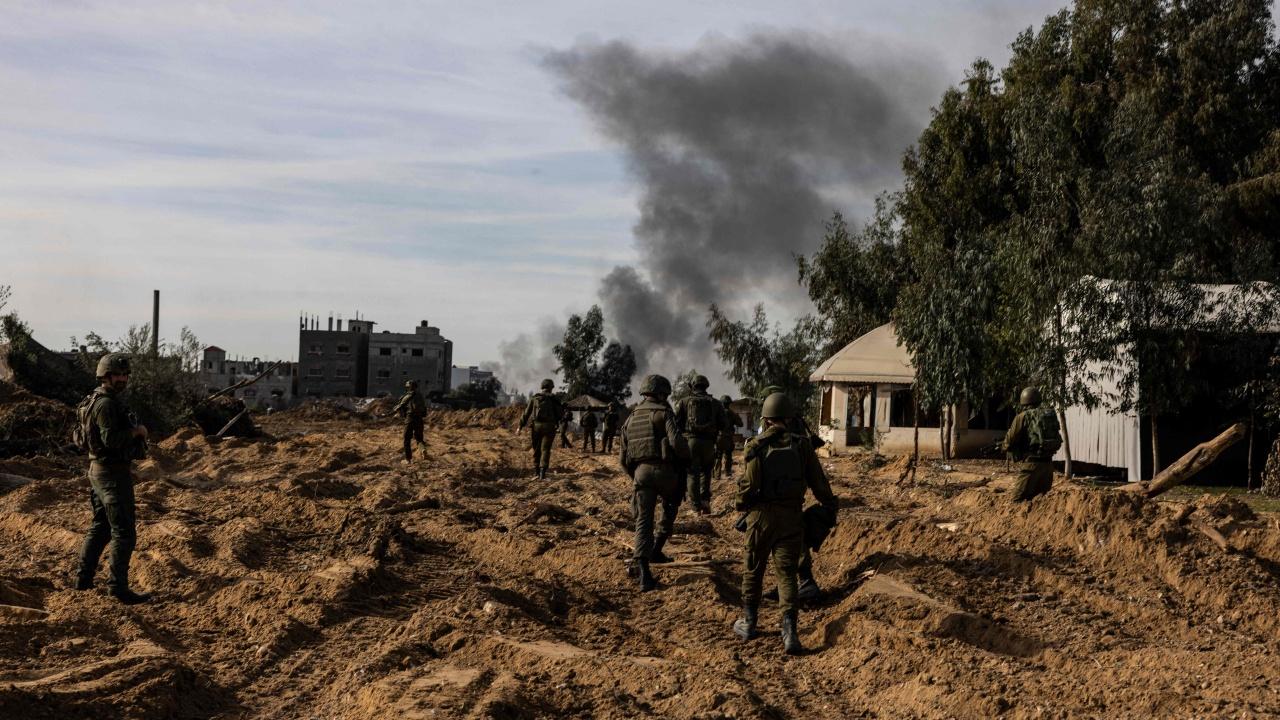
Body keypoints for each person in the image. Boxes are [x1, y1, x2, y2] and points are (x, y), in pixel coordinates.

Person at [732, 392, 838, 655]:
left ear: (766, 420)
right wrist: (827, 509)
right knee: (787, 575)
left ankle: (749, 622)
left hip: (760, 520)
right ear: (789, 419)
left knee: (753, 570)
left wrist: (741, 504)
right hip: (791, 518)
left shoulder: (755, 446)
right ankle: (790, 632)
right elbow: (820, 484)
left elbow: (749, 487)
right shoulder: (802, 445)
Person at [74, 353, 151, 604]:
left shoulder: (92, 400)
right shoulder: (106, 404)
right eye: (117, 374)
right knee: (124, 532)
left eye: (125, 374)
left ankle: (83, 581)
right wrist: (136, 432)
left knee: (101, 527)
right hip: (111, 474)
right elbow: (111, 440)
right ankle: (117, 589)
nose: (122, 379)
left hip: (99, 470)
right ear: (105, 376)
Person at [619, 375, 689, 591]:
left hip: (640, 474)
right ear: (661, 394)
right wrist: (686, 460)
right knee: (672, 504)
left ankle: (644, 574)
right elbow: (677, 443)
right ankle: (657, 548)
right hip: (664, 472)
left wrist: (637, 476)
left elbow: (623, 458)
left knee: (643, 521)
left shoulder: (630, 418)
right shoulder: (663, 413)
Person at [674, 375, 727, 515]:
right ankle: (705, 503)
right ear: (706, 386)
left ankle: (696, 507)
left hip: (690, 442)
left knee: (692, 474)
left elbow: (676, 424)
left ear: (693, 386)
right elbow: (724, 424)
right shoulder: (716, 403)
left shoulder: (684, 402)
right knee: (706, 472)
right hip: (709, 443)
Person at [1002, 387, 1061, 502]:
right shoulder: (1048, 415)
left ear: (1023, 401)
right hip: (1048, 465)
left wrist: (1004, 447)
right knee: (1041, 502)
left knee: (1016, 501)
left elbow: (1009, 441)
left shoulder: (1022, 417)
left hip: (1031, 465)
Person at [518, 379, 562, 480]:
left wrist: (520, 426)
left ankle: (536, 472)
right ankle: (542, 474)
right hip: (549, 427)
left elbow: (526, 413)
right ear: (551, 388)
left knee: (536, 449)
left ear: (542, 387)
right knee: (545, 449)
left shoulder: (535, 398)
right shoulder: (554, 399)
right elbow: (560, 415)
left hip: (536, 427)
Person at [391, 379, 428, 463]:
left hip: (410, 418)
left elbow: (400, 406)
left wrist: (390, 413)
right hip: (419, 419)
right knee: (419, 438)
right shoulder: (420, 395)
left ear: (409, 387)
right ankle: (423, 450)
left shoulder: (409, 395)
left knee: (407, 439)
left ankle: (408, 459)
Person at [714, 395, 743, 479]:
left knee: (718, 456)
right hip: (728, 438)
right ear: (729, 404)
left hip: (719, 437)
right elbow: (741, 424)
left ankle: (717, 475)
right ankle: (728, 473)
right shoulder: (732, 413)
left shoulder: (717, 413)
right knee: (728, 455)